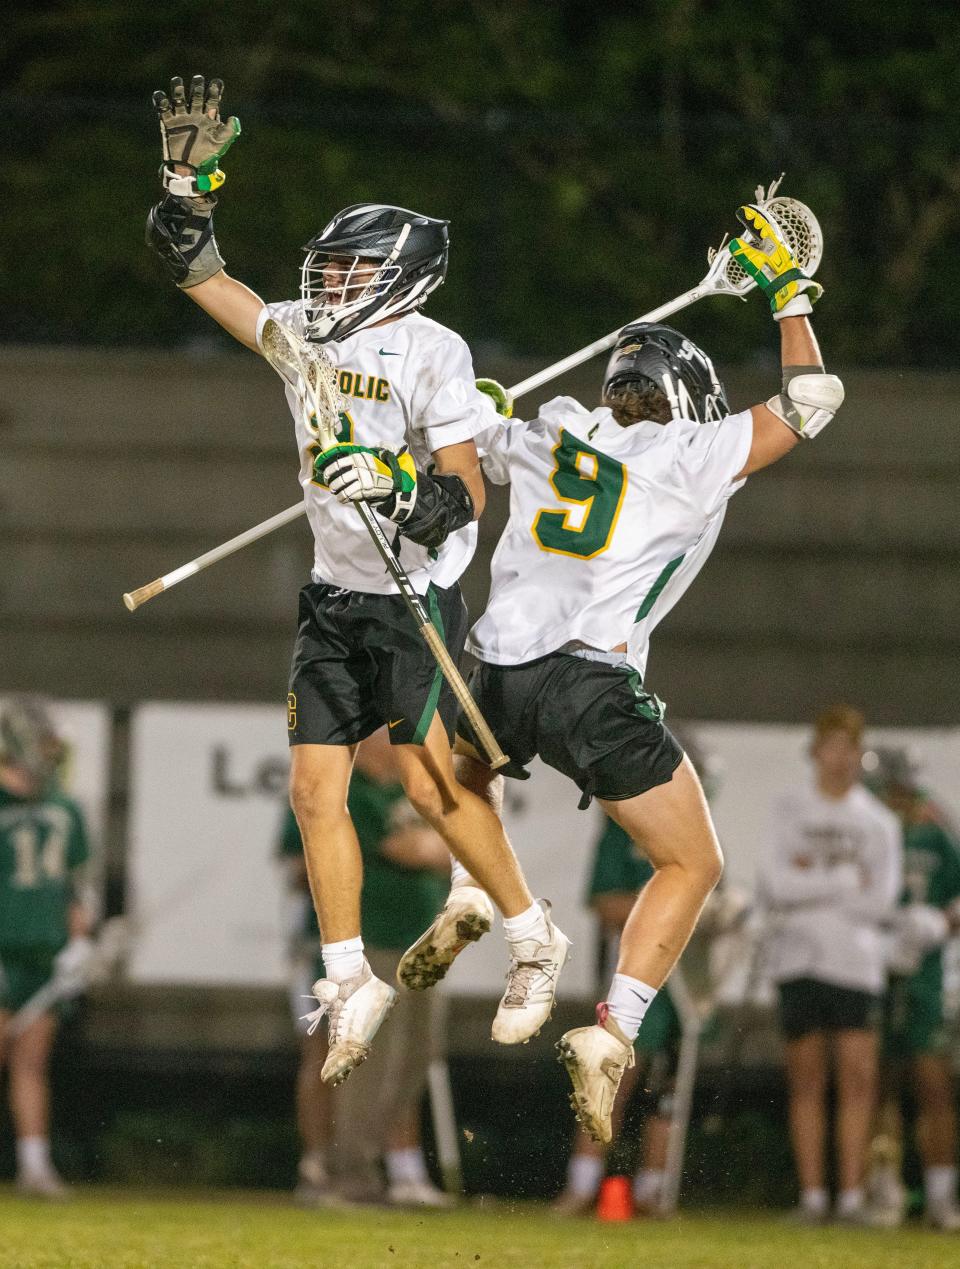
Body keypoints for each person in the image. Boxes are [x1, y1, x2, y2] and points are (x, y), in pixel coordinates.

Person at [145, 74, 568, 1080]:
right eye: (326, 272)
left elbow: (464, 492)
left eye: (350, 273)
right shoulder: (299, 334)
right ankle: (348, 976)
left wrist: (389, 479)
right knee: (312, 789)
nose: (328, 287)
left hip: (415, 587)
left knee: (427, 785)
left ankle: (529, 930)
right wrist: (183, 186)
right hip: (336, 592)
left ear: (401, 277)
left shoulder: (434, 351)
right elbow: (193, 267)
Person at [398, 199, 843, 1143]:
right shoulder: (688, 451)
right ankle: (614, 1029)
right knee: (692, 859)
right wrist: (788, 298)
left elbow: (464, 438)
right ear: (685, 396)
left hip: (493, 665)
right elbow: (811, 401)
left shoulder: (557, 426)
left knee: (469, 778)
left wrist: (471, 404)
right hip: (589, 678)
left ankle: (475, 895)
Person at [280, 728, 454, 1207]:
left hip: (421, 943)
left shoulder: (412, 788)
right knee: (362, 1061)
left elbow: (454, 846)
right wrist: (432, 848)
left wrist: (437, 848)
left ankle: (374, 1161)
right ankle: (344, 1172)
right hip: (364, 941)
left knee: (417, 1055)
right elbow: (410, 849)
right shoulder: (347, 788)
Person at [757, 706, 902, 1225]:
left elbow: (881, 902)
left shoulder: (879, 822)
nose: (839, 759)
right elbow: (776, 885)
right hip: (797, 957)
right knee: (807, 1081)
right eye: (831, 746)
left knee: (859, 1080)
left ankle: (854, 1197)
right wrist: (843, 880)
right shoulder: (788, 809)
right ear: (816, 750)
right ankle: (814, 1197)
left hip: (857, 963)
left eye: (849, 747)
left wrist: (812, 879)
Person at [0, 698, 94, 1198]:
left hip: (44, 952)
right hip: (1, 947)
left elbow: (74, 888)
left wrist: (78, 943)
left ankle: (35, 1166)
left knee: (32, 1063)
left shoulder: (65, 808)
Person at [864, 747, 960, 1231]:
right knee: (873, 1086)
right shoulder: (863, 826)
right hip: (869, 970)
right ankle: (880, 1190)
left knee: (932, 1082)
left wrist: (940, 923)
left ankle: (942, 1197)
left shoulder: (936, 829)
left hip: (924, 973)